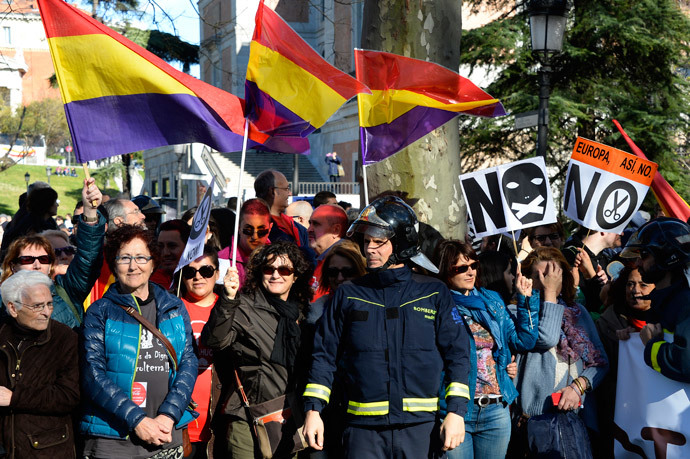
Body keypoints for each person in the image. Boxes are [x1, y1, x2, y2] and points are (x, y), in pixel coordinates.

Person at [303, 196, 471, 458]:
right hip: (362, 433)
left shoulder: (433, 292)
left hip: (421, 431)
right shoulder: (348, 294)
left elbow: (458, 355)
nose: (370, 248)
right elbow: (324, 356)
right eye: (367, 241)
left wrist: (456, 412)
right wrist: (313, 410)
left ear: (401, 244)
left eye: (379, 241)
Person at [80, 225, 198, 458]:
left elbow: (188, 363)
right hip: (114, 438)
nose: (133, 266)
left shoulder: (174, 306)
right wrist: (138, 421)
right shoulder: (99, 312)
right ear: (113, 264)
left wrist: (169, 415)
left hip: (166, 431)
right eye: (124, 258)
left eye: (141, 257)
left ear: (153, 262)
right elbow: (93, 375)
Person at [201, 241, 313, 458]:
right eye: (269, 269)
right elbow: (214, 340)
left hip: (289, 416)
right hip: (248, 416)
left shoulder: (301, 312)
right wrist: (228, 298)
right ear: (260, 273)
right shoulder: (243, 305)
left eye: (284, 270)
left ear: (295, 276)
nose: (276, 275)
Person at [436, 240, 539, 459]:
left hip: (495, 409)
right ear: (446, 271)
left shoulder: (491, 300)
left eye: (473, 266)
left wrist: (525, 299)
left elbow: (524, 341)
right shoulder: (438, 303)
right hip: (458, 410)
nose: (470, 272)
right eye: (461, 268)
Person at [510, 247, 608, 456]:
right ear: (527, 279)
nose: (548, 282)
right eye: (542, 276)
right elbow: (547, 338)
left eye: (554, 276)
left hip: (576, 422)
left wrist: (577, 387)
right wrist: (550, 295)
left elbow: (600, 362)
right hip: (535, 424)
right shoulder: (517, 313)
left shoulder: (577, 312)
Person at [0, 179, 105, 329]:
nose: (37, 265)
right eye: (27, 259)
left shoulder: (66, 291)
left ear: (50, 265)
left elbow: (88, 258)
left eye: (43, 259)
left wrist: (90, 212)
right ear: (13, 266)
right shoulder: (2, 298)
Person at [0, 270, 80, 458]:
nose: (46, 312)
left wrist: (15, 398)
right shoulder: (2, 334)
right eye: (38, 306)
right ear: (13, 308)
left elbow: (68, 396)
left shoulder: (65, 338)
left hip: (48, 449)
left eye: (49, 304)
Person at [619, 217, 690, 382]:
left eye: (643, 255)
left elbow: (687, 364)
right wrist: (635, 338)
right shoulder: (664, 301)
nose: (637, 262)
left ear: (665, 256)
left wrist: (651, 345)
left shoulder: (685, 304)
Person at [595, 265, 654, 457]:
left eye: (643, 284)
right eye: (630, 284)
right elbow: (602, 367)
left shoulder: (670, 319)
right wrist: (620, 344)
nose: (635, 290)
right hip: (620, 410)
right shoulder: (609, 321)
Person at [179, 245, 221, 458]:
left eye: (206, 271)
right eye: (189, 272)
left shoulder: (230, 309)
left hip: (218, 427)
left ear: (218, 273)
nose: (198, 277)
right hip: (178, 425)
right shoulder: (169, 309)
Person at [254, 170, 314, 265]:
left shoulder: (295, 226)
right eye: (286, 189)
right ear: (273, 191)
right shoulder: (255, 226)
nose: (289, 193)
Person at [306, 239, 366, 324]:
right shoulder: (317, 310)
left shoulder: (374, 306)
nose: (339, 278)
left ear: (360, 272)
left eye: (347, 272)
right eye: (333, 272)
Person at [562, 227, 622, 312]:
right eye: (618, 228)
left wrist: (603, 287)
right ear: (603, 230)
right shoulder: (569, 257)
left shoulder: (606, 258)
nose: (622, 233)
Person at [217, 199, 273, 290]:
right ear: (239, 228)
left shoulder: (278, 258)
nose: (254, 236)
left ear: (270, 228)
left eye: (261, 231)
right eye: (248, 230)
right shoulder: (222, 260)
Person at [308, 205, 348, 299]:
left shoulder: (344, 263)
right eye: (310, 223)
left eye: (316, 224)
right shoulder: (318, 259)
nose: (309, 229)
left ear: (336, 230)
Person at [151, 220, 190, 289]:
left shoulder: (202, 278)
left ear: (188, 247)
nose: (165, 253)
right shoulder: (152, 282)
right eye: (160, 246)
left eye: (172, 246)